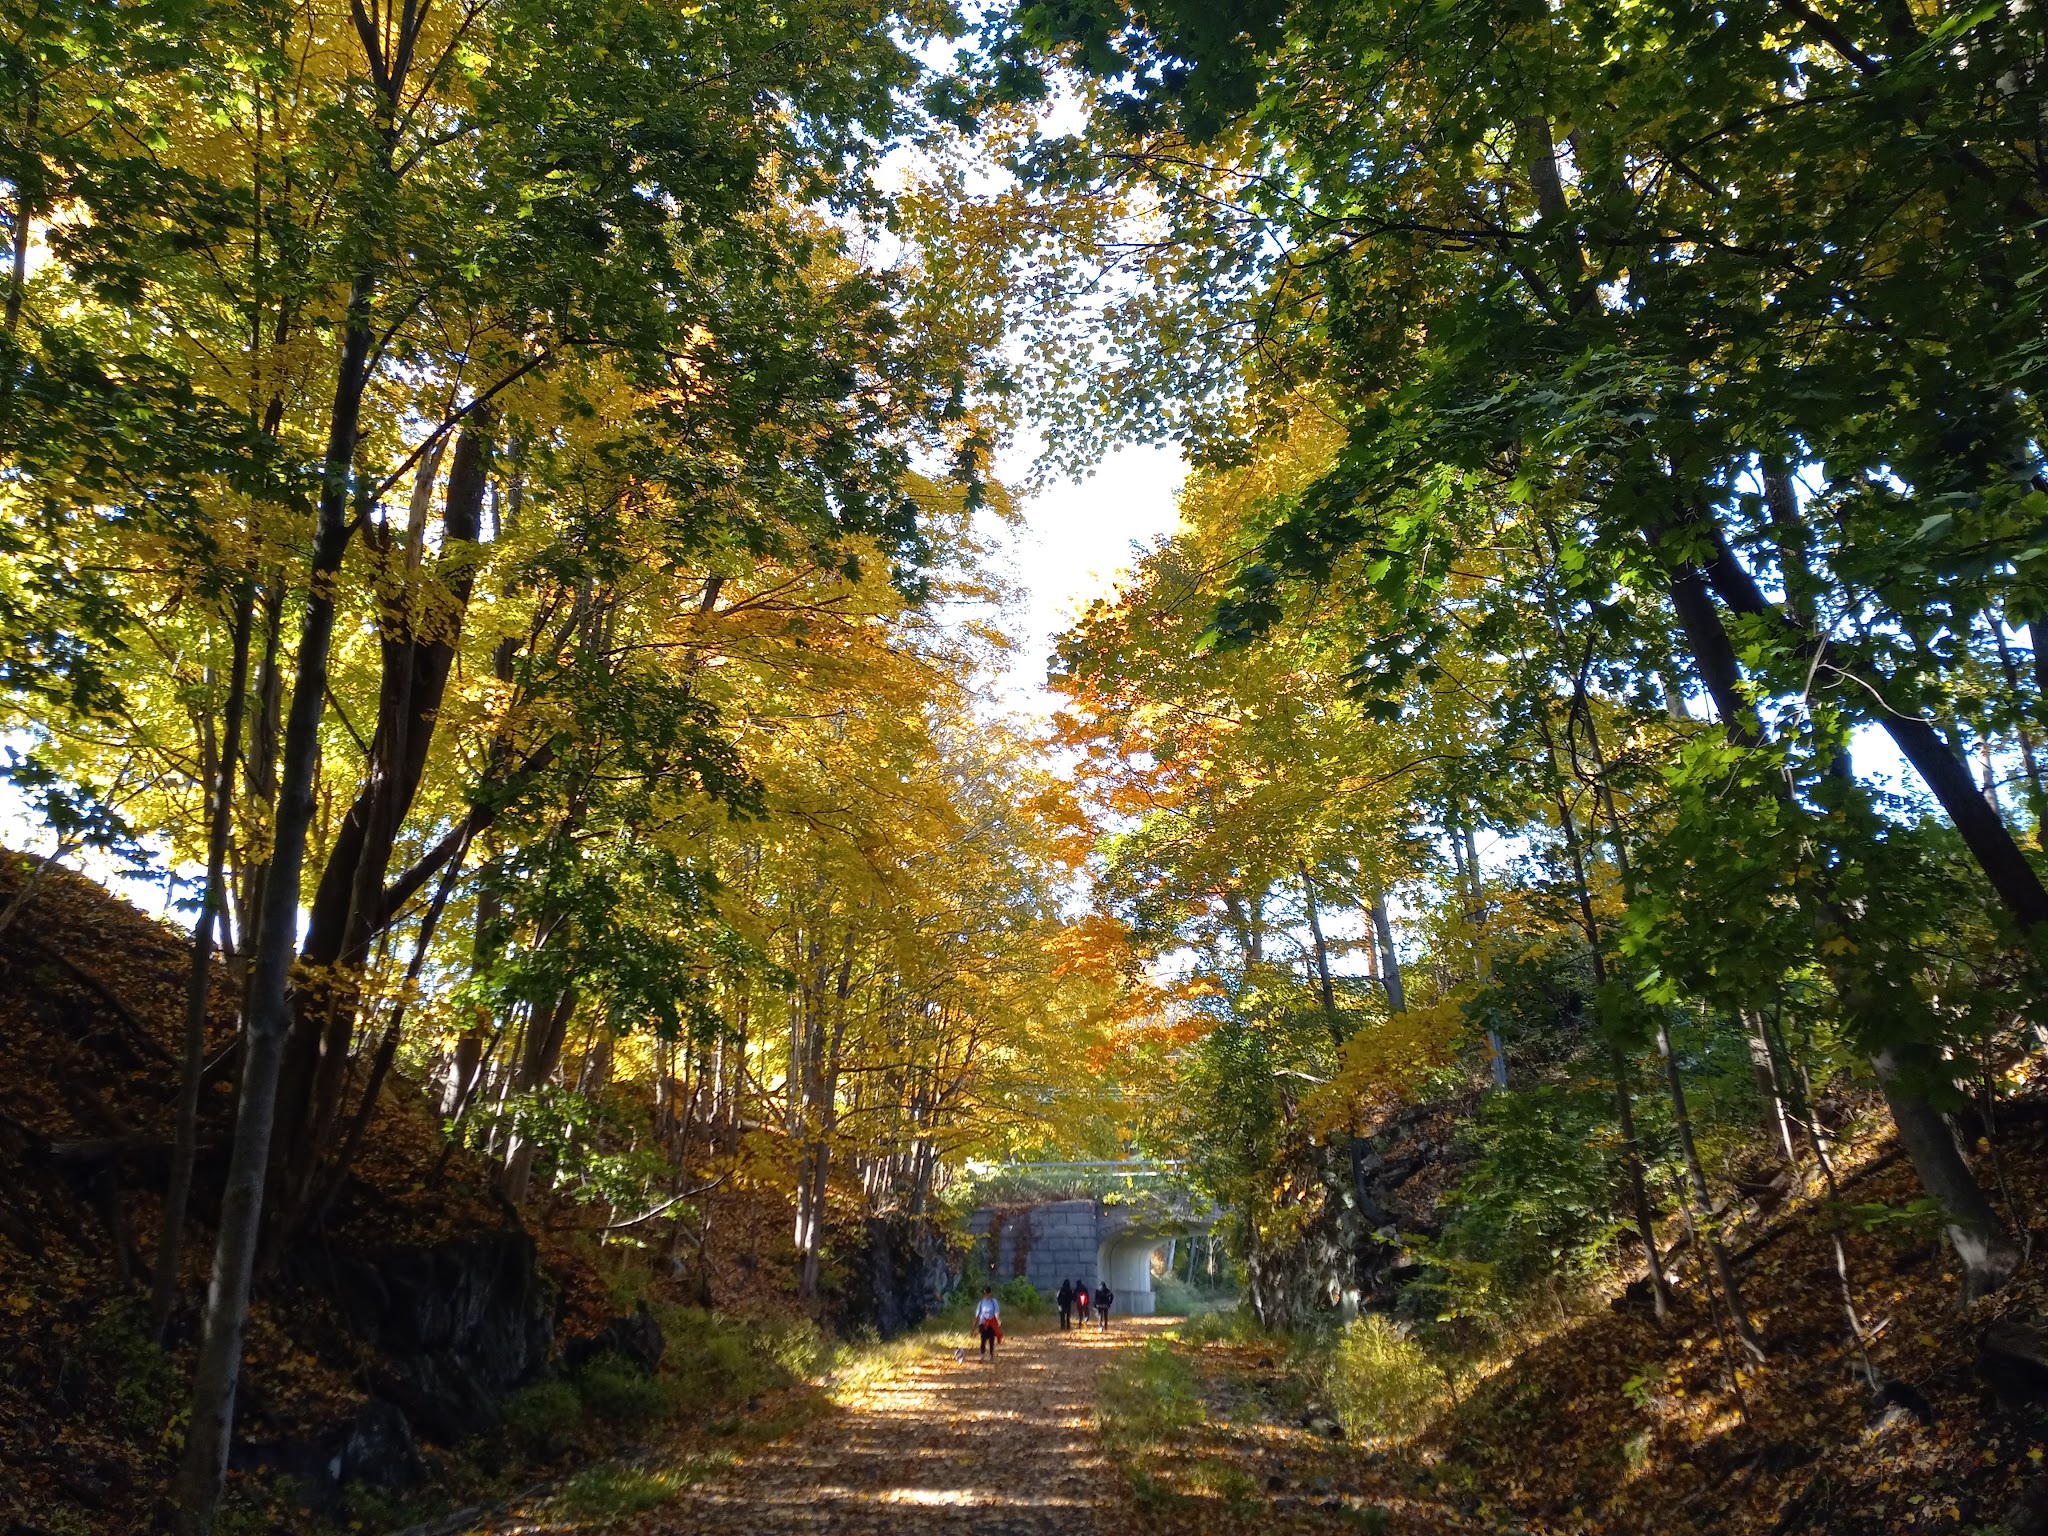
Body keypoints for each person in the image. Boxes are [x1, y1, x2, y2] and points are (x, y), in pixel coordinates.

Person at [974, 1286, 1002, 1359]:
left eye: (987, 1293)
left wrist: (998, 1319)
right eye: (985, 1293)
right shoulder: (981, 1303)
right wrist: (975, 1325)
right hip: (983, 1323)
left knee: (991, 1339)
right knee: (983, 1338)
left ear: (990, 1293)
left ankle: (991, 1354)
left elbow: (996, 1311)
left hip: (991, 1323)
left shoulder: (993, 1302)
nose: (986, 1295)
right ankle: (982, 1354)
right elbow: (978, 1314)